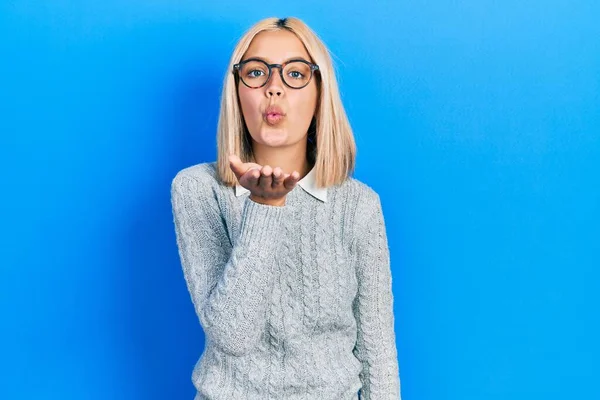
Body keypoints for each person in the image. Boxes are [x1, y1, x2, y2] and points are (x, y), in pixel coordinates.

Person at [170, 16, 401, 400]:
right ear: (237, 89)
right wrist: (265, 206)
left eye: (295, 74)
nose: (273, 89)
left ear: (319, 92)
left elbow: (378, 352)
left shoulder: (359, 205)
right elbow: (233, 334)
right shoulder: (198, 189)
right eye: (256, 72)